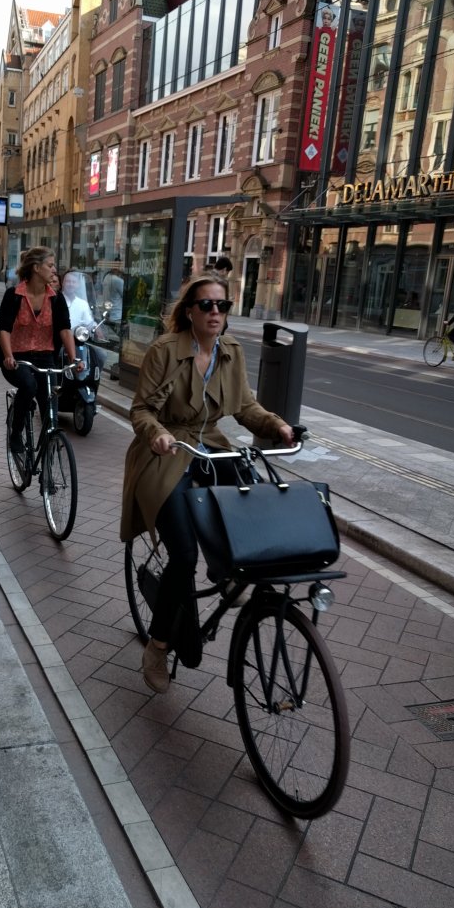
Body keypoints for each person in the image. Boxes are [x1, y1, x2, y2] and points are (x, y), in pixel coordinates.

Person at [120, 273, 294, 694]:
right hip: (164, 454)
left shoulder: (231, 351)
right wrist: (158, 434)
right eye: (206, 305)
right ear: (190, 312)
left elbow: (246, 406)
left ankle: (228, 572)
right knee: (183, 554)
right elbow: (141, 410)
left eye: (222, 305)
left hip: (210, 447)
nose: (215, 312)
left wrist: (277, 426)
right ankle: (158, 647)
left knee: (252, 501)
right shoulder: (165, 350)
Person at [0, 247, 83, 456]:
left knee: (50, 408)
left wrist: (73, 358)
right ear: (36, 268)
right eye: (50, 265)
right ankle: (16, 433)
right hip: (17, 357)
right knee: (28, 385)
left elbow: (65, 329)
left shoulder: (56, 298)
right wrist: (8, 356)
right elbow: (4, 328)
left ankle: (47, 457)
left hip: (45, 357)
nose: (54, 270)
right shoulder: (14, 295)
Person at [62, 268, 105, 375]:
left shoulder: (82, 303)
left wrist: (97, 329)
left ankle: (94, 380)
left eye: (74, 282)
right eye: (68, 281)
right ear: (63, 283)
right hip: (61, 341)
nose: (71, 284)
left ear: (78, 285)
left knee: (101, 355)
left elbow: (89, 323)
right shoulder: (58, 299)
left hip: (78, 341)